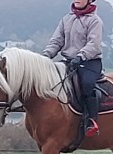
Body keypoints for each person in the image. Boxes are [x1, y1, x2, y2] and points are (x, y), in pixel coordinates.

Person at [42, 0, 103, 137]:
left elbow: (94, 44)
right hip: (69, 61)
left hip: (89, 61)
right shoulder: (66, 19)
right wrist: (46, 55)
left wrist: (81, 56)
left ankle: (91, 121)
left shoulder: (94, 21)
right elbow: (57, 41)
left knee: (87, 83)